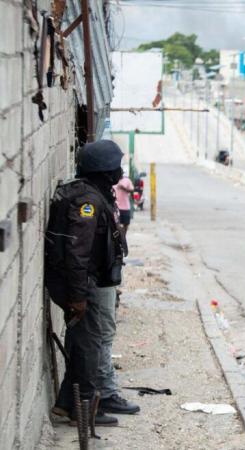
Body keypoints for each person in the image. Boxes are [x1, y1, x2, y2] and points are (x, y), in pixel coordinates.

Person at [45, 140, 139, 427]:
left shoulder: (94, 193)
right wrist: (78, 295)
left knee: (84, 343)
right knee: (89, 345)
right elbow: (77, 251)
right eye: (115, 166)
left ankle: (66, 403)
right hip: (84, 285)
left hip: (88, 282)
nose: (119, 171)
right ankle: (84, 411)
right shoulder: (87, 201)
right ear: (103, 170)